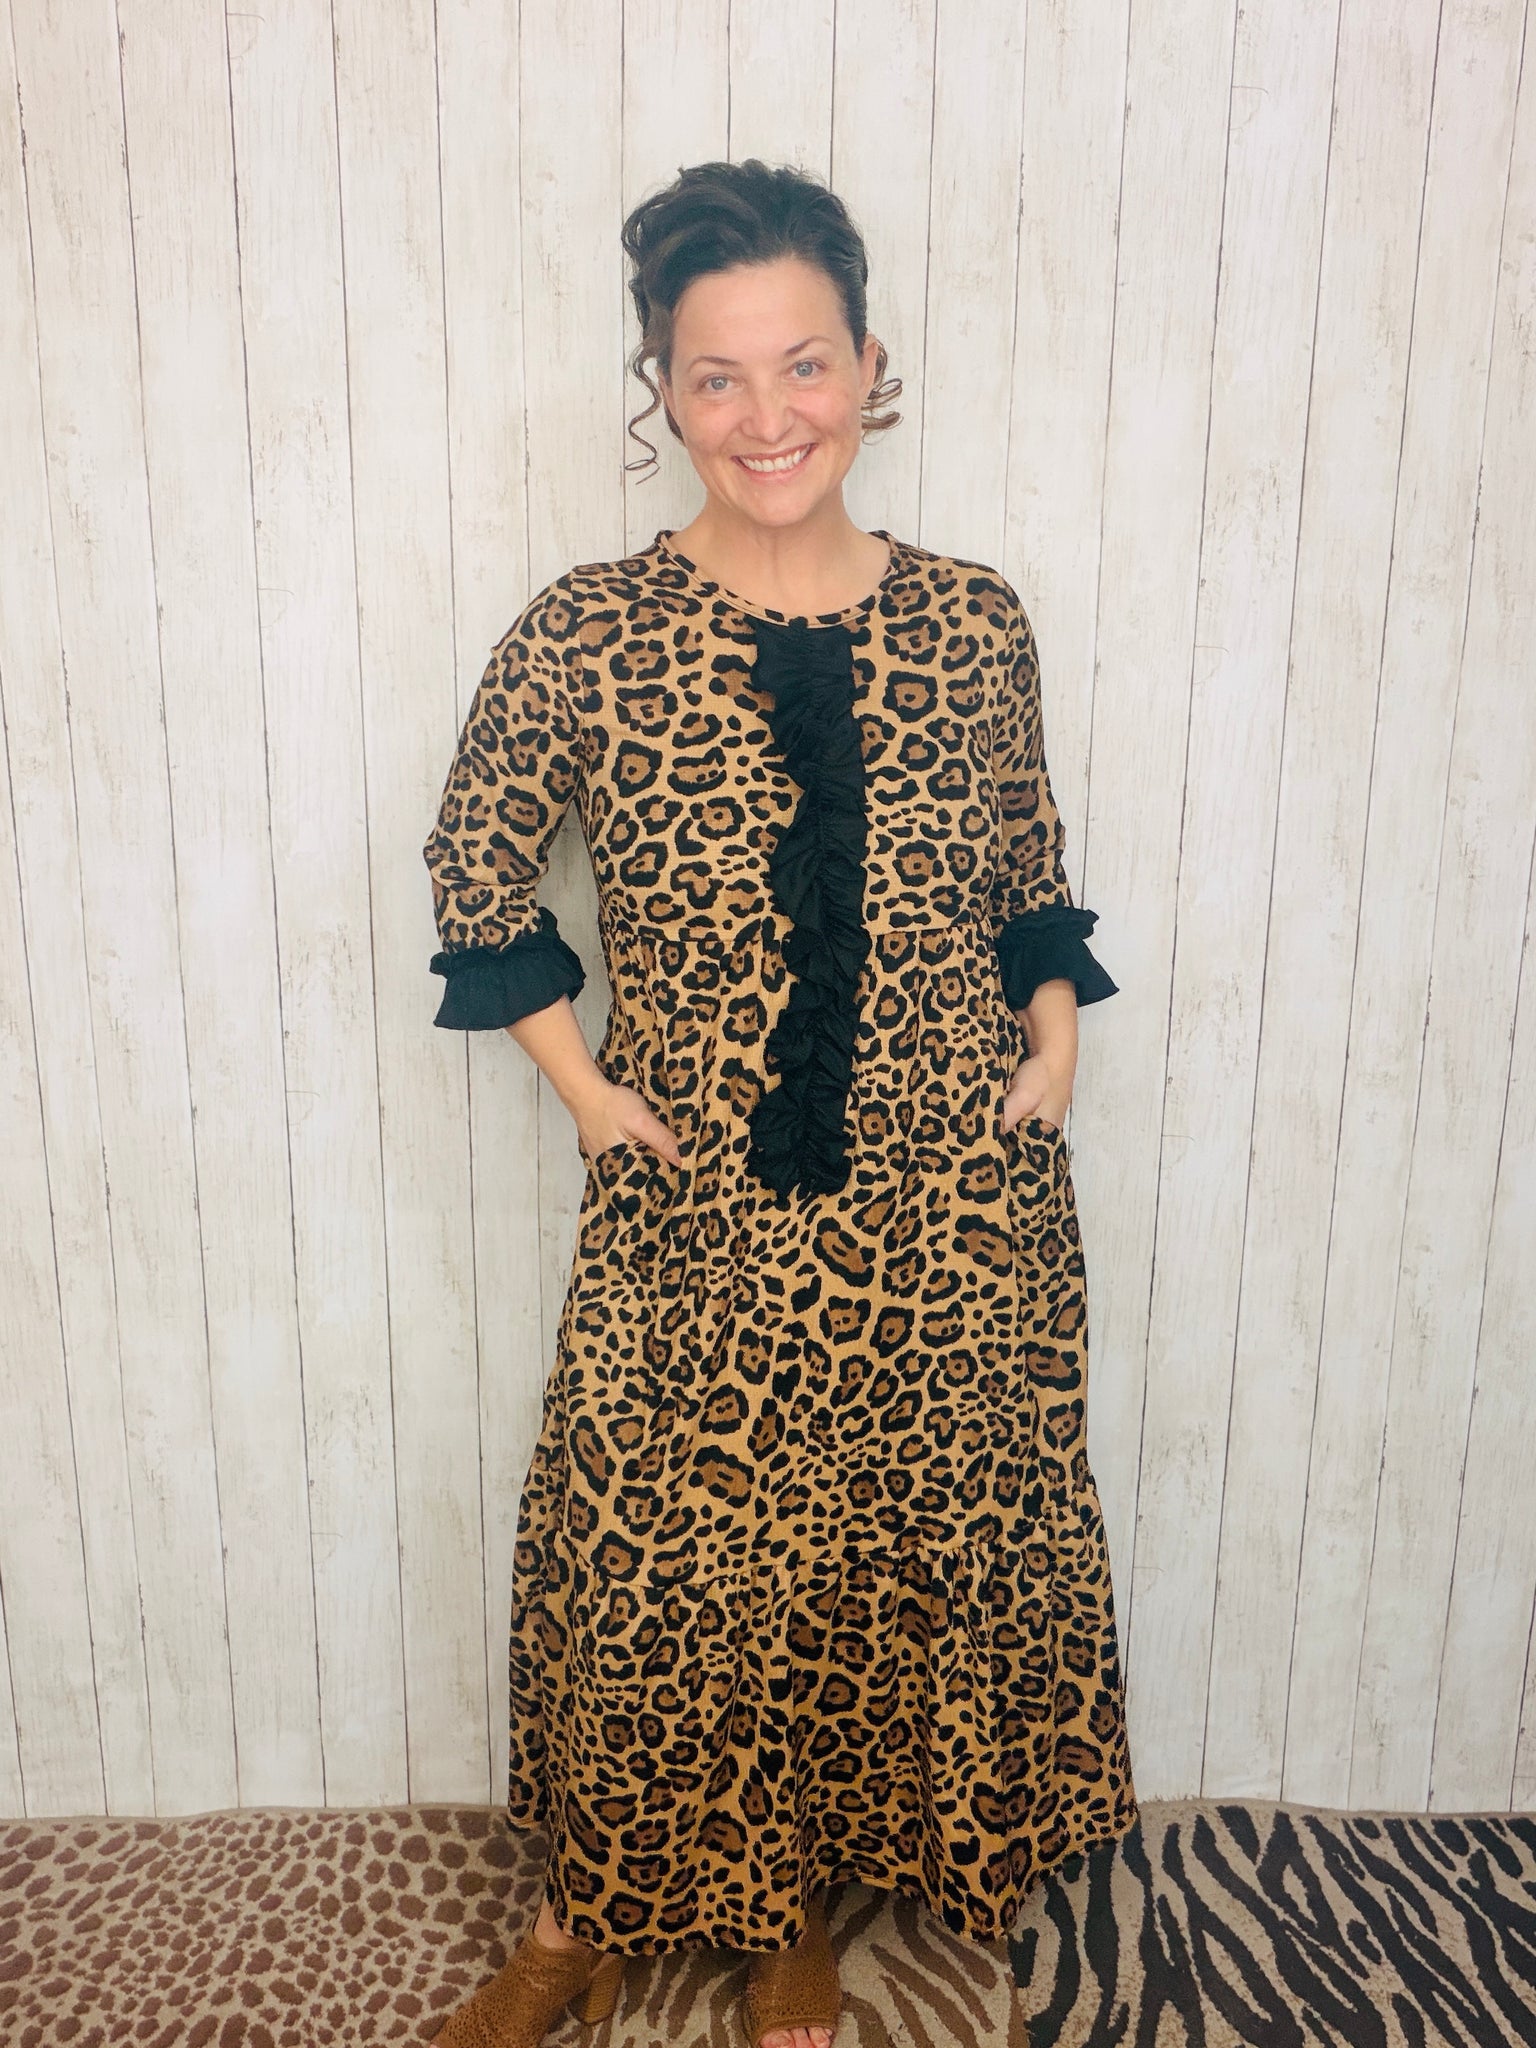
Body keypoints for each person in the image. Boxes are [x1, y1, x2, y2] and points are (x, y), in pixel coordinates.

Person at [422, 158, 1137, 2048]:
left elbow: (1027, 867)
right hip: (698, 1214)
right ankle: (581, 1917)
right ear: (661, 390)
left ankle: (789, 1922)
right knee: (653, 1569)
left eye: (803, 363)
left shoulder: (975, 623)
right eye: (715, 374)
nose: (766, 415)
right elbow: (476, 869)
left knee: (875, 1570)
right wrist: (588, 1095)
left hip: (948, 1210)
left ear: (869, 365)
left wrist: (1052, 1041)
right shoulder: (586, 632)